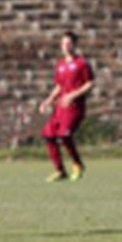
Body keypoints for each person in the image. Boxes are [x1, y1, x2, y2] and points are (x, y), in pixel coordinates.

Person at [39, 31, 95, 182]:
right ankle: (60, 170)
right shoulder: (61, 64)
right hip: (60, 108)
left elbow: (90, 83)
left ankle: (77, 164)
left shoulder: (82, 63)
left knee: (64, 135)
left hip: (75, 107)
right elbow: (59, 85)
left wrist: (72, 95)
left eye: (68, 43)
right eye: (63, 43)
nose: (65, 46)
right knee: (48, 135)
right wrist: (48, 100)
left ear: (74, 45)